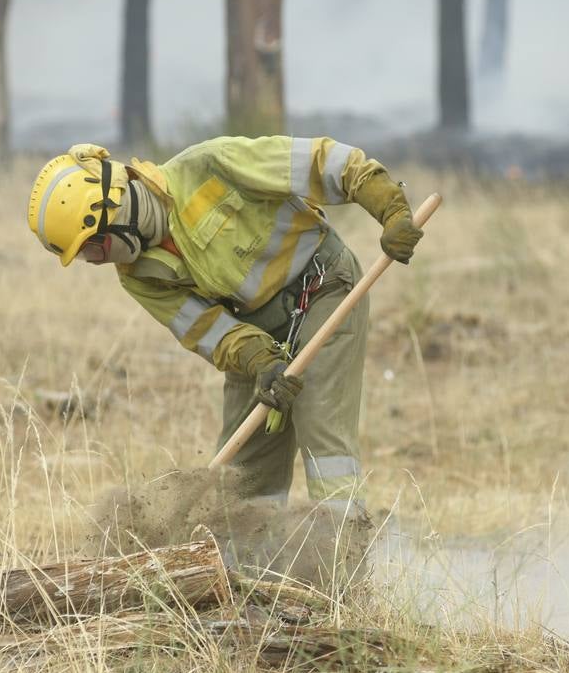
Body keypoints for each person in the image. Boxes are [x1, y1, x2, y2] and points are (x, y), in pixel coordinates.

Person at [26, 136, 422, 518]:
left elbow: (324, 162)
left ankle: (342, 552)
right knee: (243, 467)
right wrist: (260, 361)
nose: (96, 262)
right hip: (258, 332)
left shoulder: (211, 165)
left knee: (320, 424)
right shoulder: (137, 277)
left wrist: (390, 208)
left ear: (115, 212)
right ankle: (252, 562)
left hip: (325, 287)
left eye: (92, 248)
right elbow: (207, 330)